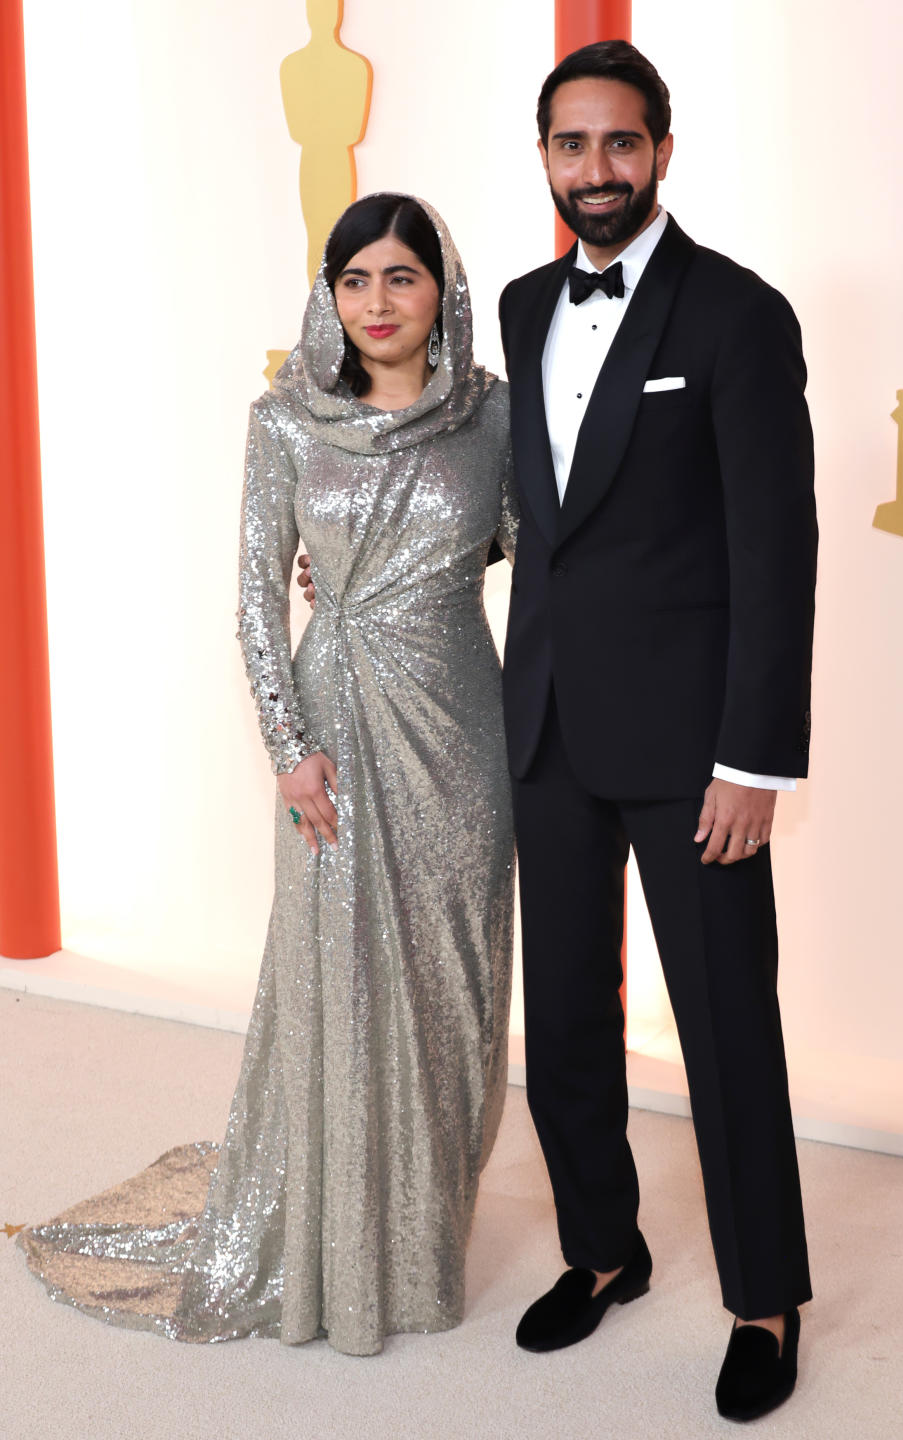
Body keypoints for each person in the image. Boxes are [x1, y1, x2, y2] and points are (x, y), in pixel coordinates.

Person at [18, 194, 518, 1357]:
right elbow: (253, 596)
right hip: (334, 727)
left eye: (403, 277)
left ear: (443, 287)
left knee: (462, 985)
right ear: (327, 293)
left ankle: (423, 1233)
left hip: (463, 729)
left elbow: (536, 548)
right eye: (356, 281)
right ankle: (340, 1247)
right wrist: (290, 753)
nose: (379, 303)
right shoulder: (285, 418)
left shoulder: (491, 420)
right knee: (340, 979)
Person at [497, 42, 817, 1422]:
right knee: (563, 1018)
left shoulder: (739, 317)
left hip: (697, 755)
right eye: (572, 146)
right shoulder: (517, 308)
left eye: (619, 144)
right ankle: (602, 1252)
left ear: (664, 151)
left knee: (727, 1024)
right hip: (548, 728)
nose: (597, 171)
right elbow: (537, 510)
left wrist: (755, 759)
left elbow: (777, 550)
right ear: (548, 159)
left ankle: (765, 1296)